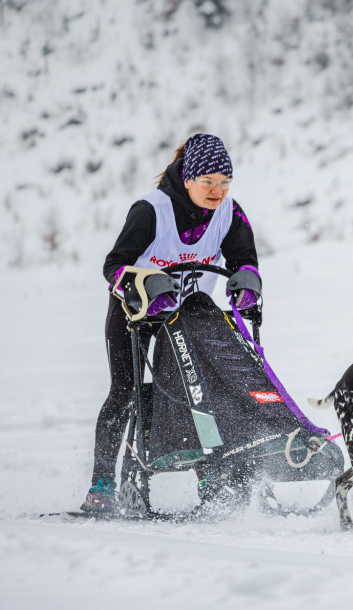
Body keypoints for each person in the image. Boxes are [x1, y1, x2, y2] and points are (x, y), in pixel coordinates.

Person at [82, 133, 261, 512]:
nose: (218, 191)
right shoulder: (151, 210)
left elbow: (244, 257)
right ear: (188, 179)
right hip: (135, 315)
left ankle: (211, 475)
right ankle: (102, 484)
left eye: (225, 183)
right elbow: (113, 265)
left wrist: (246, 278)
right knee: (125, 392)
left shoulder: (230, 213)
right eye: (209, 182)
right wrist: (144, 284)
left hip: (187, 319)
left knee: (200, 393)